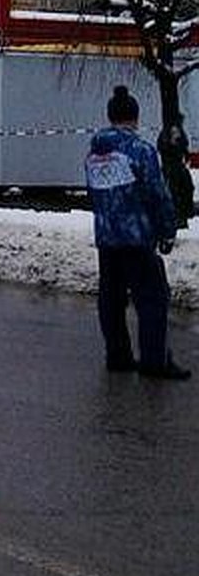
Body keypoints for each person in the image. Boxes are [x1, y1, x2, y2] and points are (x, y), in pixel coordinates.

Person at [85, 85, 189, 380]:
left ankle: (117, 355)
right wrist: (167, 229)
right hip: (137, 236)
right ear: (135, 117)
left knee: (111, 297)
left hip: (107, 237)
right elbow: (158, 194)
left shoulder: (95, 152)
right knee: (153, 298)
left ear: (110, 115)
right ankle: (155, 361)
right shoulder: (141, 151)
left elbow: (95, 194)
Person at [157, 115, 194, 230]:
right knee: (174, 193)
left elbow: (185, 147)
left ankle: (184, 215)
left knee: (187, 189)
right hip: (170, 168)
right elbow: (162, 148)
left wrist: (186, 155)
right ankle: (176, 218)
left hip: (179, 167)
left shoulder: (180, 133)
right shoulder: (165, 134)